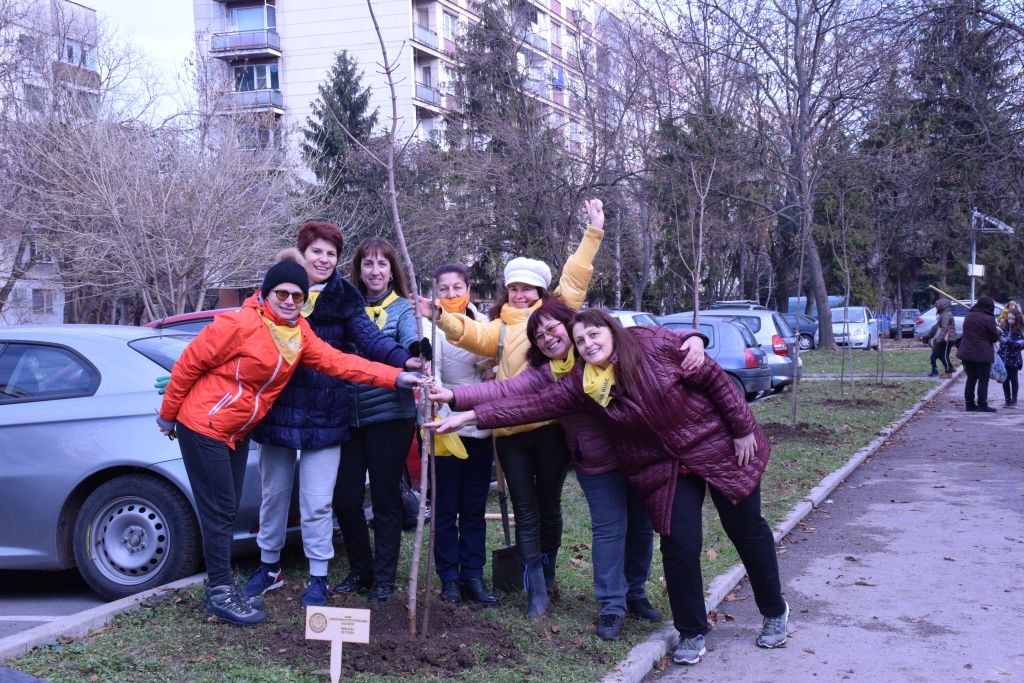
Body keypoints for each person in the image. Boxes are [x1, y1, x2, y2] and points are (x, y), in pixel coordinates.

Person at [426, 308, 788, 664]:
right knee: (679, 545)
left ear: (612, 331)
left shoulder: (652, 344)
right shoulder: (583, 384)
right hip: (666, 465)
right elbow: (530, 405)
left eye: (593, 334)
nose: (587, 344)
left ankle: (774, 611)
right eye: (581, 340)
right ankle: (691, 631)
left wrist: (741, 429)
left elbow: (713, 378)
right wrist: (465, 414)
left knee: (745, 529)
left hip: (718, 443)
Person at [156, 250, 422, 626]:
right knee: (219, 511)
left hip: (235, 430)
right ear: (266, 294)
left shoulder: (297, 333)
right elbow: (188, 364)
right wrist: (168, 416)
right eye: (281, 294)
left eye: (297, 296)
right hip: (203, 425)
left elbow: (341, 362)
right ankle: (219, 593)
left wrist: (396, 376)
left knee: (226, 510)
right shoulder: (239, 324)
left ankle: (220, 589)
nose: (289, 301)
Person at [417, 199, 605, 619]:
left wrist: (592, 233)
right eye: (514, 288)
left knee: (549, 504)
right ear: (507, 291)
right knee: (523, 507)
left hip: (549, 426)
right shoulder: (498, 328)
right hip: (508, 432)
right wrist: (441, 318)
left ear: (540, 292)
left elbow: (575, 278)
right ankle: (535, 585)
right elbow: (469, 333)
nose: (520, 295)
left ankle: (549, 570)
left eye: (528, 289)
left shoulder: (554, 317)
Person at [242, 222, 423, 608]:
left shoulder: (343, 297)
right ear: (301, 254)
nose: (323, 260)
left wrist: (404, 360)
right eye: (316, 252)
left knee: (319, 501)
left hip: (326, 412)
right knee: (273, 496)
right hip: (279, 410)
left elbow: (371, 341)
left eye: (331, 254)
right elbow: (236, 338)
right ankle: (268, 567)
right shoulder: (279, 291)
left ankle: (319, 576)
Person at [333, 237, 421, 604]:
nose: (374, 271)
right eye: (367, 264)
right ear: (358, 269)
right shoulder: (343, 308)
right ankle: (361, 568)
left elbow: (411, 342)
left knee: (385, 498)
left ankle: (384, 577)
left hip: (389, 415)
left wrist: (417, 355)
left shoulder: (403, 309)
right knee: (345, 498)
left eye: (381, 264)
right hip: (347, 418)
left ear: (392, 270)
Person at [420, 263, 500, 607]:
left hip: (478, 423)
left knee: (472, 508)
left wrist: (493, 372)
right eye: (444, 289)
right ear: (435, 291)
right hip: (443, 424)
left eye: (457, 288)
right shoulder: (427, 326)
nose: (451, 295)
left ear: (468, 289)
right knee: (444, 508)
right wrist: (435, 402)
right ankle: (449, 578)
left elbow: (492, 366)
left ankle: (473, 575)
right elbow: (430, 370)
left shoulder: (482, 326)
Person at [957, 295, 1001, 412]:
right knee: (983, 379)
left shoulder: (969, 316)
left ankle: (969, 404)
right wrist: (998, 332)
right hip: (982, 353)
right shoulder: (989, 318)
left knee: (971, 378)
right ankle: (982, 404)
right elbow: (993, 337)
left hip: (967, 352)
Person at [923, 298, 955, 378]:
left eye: (937, 306)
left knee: (944, 355)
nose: (936, 308)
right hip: (945, 338)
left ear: (943, 306)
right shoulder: (943, 314)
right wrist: (928, 335)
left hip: (948, 339)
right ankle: (950, 368)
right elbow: (936, 327)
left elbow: (944, 328)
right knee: (942, 355)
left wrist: (938, 339)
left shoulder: (946, 315)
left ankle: (948, 372)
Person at [997, 307, 1023, 407]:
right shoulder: (1004, 327)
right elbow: (999, 338)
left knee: (1014, 380)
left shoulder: (1019, 330)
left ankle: (1014, 400)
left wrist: (1011, 343)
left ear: (1017, 319)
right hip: (1003, 358)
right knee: (1005, 380)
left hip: (1014, 359)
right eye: (1009, 319)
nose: (1010, 321)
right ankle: (1007, 400)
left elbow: (1019, 343)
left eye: (1012, 319)